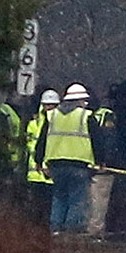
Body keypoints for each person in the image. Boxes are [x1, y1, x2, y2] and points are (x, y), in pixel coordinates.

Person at [38, 82, 98, 235]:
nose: (85, 104)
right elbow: (98, 141)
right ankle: (71, 232)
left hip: (56, 165)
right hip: (79, 165)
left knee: (59, 197)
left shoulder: (52, 116)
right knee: (77, 199)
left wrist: (39, 160)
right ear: (78, 101)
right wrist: (100, 161)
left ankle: (56, 229)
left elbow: (42, 140)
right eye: (84, 100)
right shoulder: (86, 116)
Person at [101, 79, 126, 236]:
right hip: (124, 160)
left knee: (113, 197)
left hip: (116, 160)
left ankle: (114, 227)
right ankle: (121, 228)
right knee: (123, 196)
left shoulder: (110, 112)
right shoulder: (122, 115)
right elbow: (120, 137)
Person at [25, 88, 58, 225]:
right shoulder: (34, 123)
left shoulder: (58, 121)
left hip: (50, 175)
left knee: (48, 210)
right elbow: (32, 145)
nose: (48, 108)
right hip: (36, 173)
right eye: (46, 105)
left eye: (52, 105)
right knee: (36, 210)